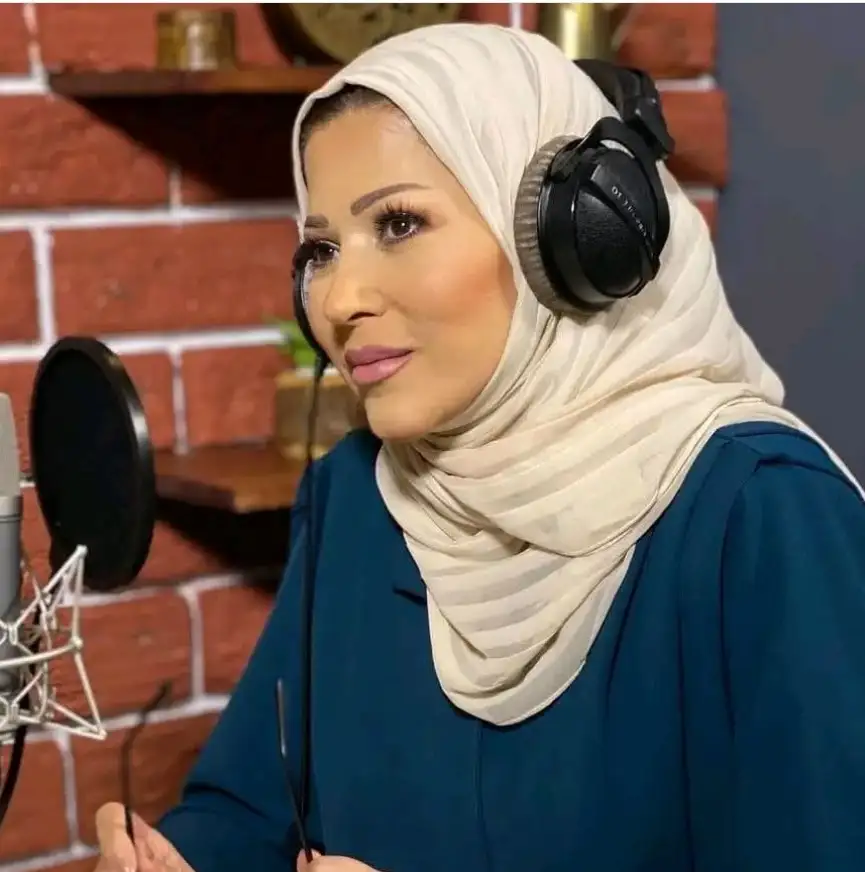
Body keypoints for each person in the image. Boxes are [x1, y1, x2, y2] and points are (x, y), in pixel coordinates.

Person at [94, 22, 865, 872]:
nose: (340, 299)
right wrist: (185, 859)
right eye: (321, 249)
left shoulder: (762, 512)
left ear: (568, 239)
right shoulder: (354, 495)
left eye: (398, 223)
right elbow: (251, 811)